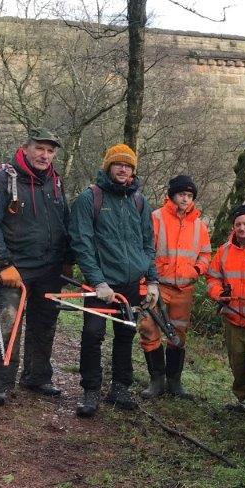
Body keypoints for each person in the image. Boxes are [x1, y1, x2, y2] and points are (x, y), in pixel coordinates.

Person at [0, 127, 72, 406]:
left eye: (50, 151)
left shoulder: (56, 181)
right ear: (26, 148)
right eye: (40, 148)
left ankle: (37, 376)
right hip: (15, 267)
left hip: (50, 269)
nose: (45, 155)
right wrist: (4, 264)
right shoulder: (3, 178)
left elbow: (64, 223)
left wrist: (66, 261)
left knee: (44, 324)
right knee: (8, 321)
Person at [69, 143, 160, 418]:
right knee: (93, 334)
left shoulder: (139, 201)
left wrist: (152, 280)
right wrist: (98, 281)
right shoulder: (90, 198)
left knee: (125, 334)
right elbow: (81, 243)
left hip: (131, 284)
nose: (123, 169)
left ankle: (120, 387)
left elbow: (148, 242)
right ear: (108, 166)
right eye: (119, 164)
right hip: (100, 284)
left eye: (129, 165)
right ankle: (91, 389)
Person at [139, 174, 212, 399]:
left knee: (178, 335)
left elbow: (205, 254)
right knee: (149, 329)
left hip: (184, 290)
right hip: (157, 286)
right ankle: (156, 381)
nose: (186, 199)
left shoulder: (199, 225)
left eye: (190, 196)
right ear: (172, 195)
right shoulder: (156, 218)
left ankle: (174, 382)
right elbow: (145, 249)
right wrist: (147, 280)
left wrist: (196, 270)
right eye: (182, 194)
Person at [206, 204, 245, 419]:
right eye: (238, 224)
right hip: (232, 316)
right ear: (233, 227)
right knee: (237, 363)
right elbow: (212, 277)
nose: (242, 228)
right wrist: (216, 293)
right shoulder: (223, 251)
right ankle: (244, 402)